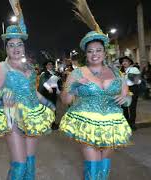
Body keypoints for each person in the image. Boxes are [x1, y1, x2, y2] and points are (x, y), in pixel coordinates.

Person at [59, 1, 132, 179]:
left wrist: (126, 99)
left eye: (98, 50)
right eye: (90, 51)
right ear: (86, 53)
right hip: (87, 123)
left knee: (104, 167)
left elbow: (127, 95)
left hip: (112, 124)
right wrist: (74, 87)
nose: (95, 54)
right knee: (93, 166)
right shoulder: (77, 73)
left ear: (104, 53)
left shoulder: (117, 72)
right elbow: (65, 100)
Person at [0, 1, 55, 179]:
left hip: (32, 115)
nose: (16, 48)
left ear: (24, 47)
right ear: (6, 48)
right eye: (11, 45)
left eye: (19, 45)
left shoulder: (30, 69)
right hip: (13, 115)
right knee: (19, 164)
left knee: (31, 163)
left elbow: (32, 92)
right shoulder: (2, 67)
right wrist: (4, 94)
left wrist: (47, 102)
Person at [119, 56, 142, 130]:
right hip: (123, 90)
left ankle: (132, 124)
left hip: (132, 89)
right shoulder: (121, 71)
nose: (124, 62)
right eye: (123, 61)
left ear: (130, 62)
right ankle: (126, 123)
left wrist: (129, 76)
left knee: (132, 107)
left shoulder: (134, 69)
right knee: (124, 107)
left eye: (126, 61)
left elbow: (138, 81)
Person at [38, 60, 62, 130]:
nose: (50, 65)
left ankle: (52, 123)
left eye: (51, 64)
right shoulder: (44, 73)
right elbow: (43, 82)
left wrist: (58, 90)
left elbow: (56, 83)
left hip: (53, 94)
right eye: (49, 64)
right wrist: (49, 88)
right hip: (46, 94)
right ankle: (48, 124)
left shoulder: (54, 73)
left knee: (53, 108)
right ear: (46, 66)